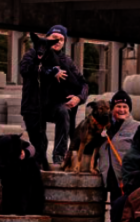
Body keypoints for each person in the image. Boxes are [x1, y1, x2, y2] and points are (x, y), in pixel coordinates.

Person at [19, 26, 89, 166]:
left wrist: (79, 98)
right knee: (38, 144)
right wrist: (50, 72)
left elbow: (83, 83)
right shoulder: (32, 54)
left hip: (53, 104)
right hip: (33, 105)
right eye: (54, 38)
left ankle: (59, 156)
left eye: (61, 39)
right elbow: (25, 69)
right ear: (47, 38)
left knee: (63, 112)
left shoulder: (67, 60)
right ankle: (39, 163)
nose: (57, 41)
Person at [97, 90, 140, 202]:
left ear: (129, 109)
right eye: (118, 106)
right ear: (112, 109)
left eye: (125, 106)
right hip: (110, 177)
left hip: (128, 179)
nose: (122, 110)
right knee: (115, 209)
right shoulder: (105, 128)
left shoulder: (137, 128)